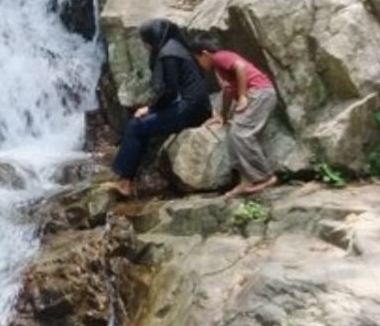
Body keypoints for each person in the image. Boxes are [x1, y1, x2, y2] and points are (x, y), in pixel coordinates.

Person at [110, 19, 211, 198]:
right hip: (196, 107)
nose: (145, 45)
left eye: (145, 40)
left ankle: (125, 182)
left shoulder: (168, 54)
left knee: (136, 126)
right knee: (141, 125)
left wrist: (150, 109)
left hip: (189, 110)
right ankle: (128, 178)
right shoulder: (177, 47)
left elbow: (170, 91)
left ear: (153, 37)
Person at [193, 37, 278, 197]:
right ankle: (246, 180)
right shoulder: (219, 68)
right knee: (234, 134)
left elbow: (240, 67)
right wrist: (223, 116)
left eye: (198, 59)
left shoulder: (221, 56)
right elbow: (227, 91)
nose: (199, 63)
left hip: (259, 92)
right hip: (258, 94)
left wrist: (243, 96)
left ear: (205, 54)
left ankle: (264, 177)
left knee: (241, 133)